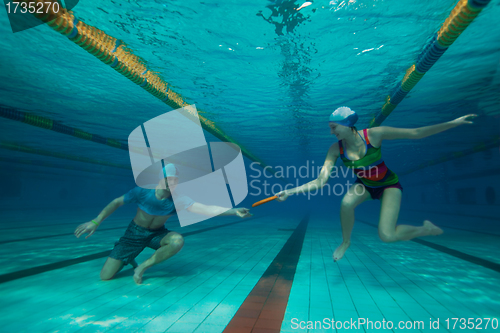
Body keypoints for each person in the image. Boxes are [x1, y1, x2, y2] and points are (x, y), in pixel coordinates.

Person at [275, 107, 477, 261]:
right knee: (346, 204)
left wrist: (455, 122)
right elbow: (320, 181)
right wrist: (289, 191)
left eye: (333, 128)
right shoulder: (335, 150)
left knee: (387, 236)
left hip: (388, 185)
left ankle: (425, 229)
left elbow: (416, 133)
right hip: (364, 184)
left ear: (346, 124)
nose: (331, 132)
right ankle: (346, 242)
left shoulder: (374, 134)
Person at [74, 163, 252, 284]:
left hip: (157, 234)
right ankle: (128, 257)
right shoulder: (142, 192)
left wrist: (233, 211)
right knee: (105, 277)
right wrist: (96, 221)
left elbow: (205, 209)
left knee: (177, 240)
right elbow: (116, 202)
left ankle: (142, 267)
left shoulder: (179, 199)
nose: (171, 184)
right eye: (168, 179)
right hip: (134, 234)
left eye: (174, 180)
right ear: (160, 179)